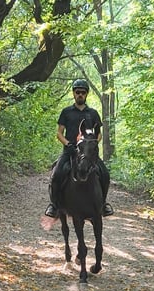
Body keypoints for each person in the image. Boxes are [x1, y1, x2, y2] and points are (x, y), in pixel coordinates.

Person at [45, 79, 114, 218]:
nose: (80, 95)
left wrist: (93, 144)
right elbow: (59, 133)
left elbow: (99, 134)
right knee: (57, 174)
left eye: (83, 92)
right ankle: (54, 205)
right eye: (78, 92)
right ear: (74, 94)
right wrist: (67, 143)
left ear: (86, 94)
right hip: (70, 152)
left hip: (88, 154)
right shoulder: (66, 112)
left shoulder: (93, 113)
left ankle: (103, 204)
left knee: (105, 174)